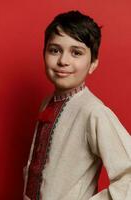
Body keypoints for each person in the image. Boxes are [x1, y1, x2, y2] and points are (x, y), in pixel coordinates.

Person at [23, 10, 131, 200]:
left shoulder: (94, 112)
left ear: (93, 63)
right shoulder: (46, 103)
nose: (63, 61)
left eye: (76, 52)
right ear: (44, 54)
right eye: (55, 50)